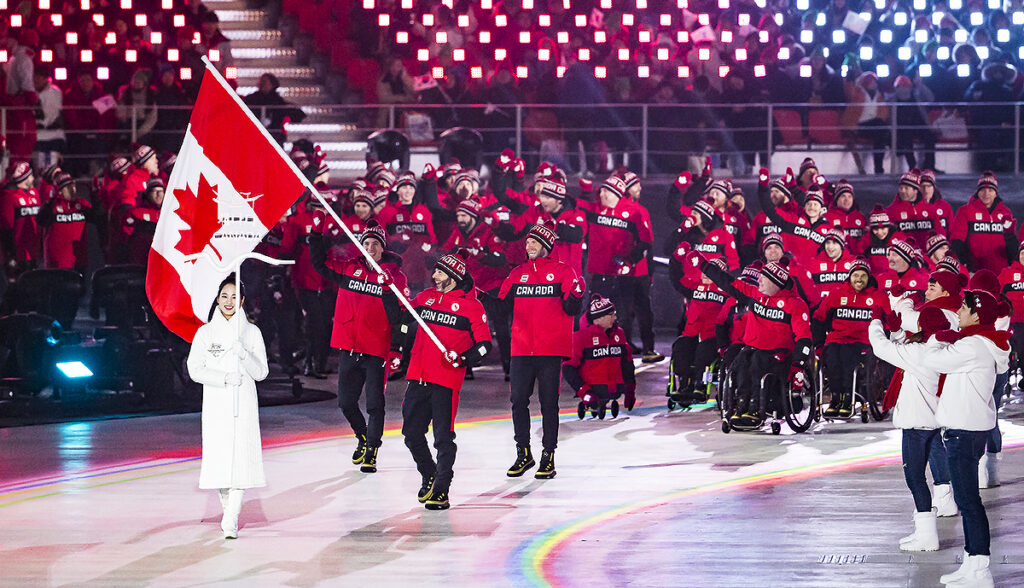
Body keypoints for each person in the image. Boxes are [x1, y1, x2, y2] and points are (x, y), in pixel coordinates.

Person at [882, 290, 1010, 587]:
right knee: (967, 500)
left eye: (964, 308)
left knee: (969, 501)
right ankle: (972, 562)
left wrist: (937, 339)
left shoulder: (974, 346)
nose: (959, 312)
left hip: (964, 433)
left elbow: (932, 360)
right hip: (966, 431)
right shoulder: (979, 343)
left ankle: (979, 569)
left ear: (976, 315)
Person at [309, 215, 408, 473]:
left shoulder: (395, 277)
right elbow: (319, 263)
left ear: (383, 248)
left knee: (375, 404)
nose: (371, 248)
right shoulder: (347, 269)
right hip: (350, 349)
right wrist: (316, 233)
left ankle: (372, 451)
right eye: (366, 243)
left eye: (376, 244)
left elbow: (401, 317)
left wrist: (396, 349)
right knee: (345, 403)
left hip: (377, 352)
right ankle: (362, 436)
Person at [394, 251, 492, 510]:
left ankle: (441, 489)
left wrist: (463, 358)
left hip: (445, 382)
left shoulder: (472, 307)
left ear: (453, 277)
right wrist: (388, 289)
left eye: (439, 272)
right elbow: (402, 316)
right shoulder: (425, 298)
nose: (434, 276)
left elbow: (484, 346)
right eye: (435, 271)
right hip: (417, 377)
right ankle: (429, 473)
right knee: (411, 434)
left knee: (443, 438)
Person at [186, 275, 269, 539]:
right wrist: (222, 378)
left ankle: (231, 518)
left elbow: (262, 372)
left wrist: (244, 354)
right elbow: (194, 369)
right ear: (217, 298)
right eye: (224, 296)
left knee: (241, 460)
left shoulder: (252, 333)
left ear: (242, 301)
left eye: (234, 297)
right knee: (220, 462)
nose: (229, 301)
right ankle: (228, 511)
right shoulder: (205, 333)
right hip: (216, 403)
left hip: (243, 403)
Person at [499, 223, 585, 479]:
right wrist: (476, 295)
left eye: (534, 242)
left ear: (546, 245)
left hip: (550, 349)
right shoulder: (517, 274)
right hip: (521, 348)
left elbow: (572, 309)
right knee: (518, 401)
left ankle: (548, 455)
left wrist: (577, 295)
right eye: (527, 242)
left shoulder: (563, 271)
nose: (529, 246)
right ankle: (523, 453)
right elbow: (501, 307)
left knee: (549, 403)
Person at [868, 306, 951, 552]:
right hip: (934, 421)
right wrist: (896, 333)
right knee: (921, 476)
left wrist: (876, 322)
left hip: (916, 425)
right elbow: (904, 352)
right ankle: (924, 530)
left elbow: (881, 348)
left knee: (915, 478)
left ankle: (927, 536)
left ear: (923, 327)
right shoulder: (945, 350)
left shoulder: (919, 353)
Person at [814, 258, 891, 417]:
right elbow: (819, 319)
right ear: (849, 277)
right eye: (856, 275)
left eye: (863, 276)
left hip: (863, 342)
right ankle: (836, 398)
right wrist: (819, 344)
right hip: (836, 340)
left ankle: (849, 398)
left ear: (869, 278)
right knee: (831, 356)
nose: (859, 279)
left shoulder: (879, 297)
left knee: (847, 355)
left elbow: (888, 323)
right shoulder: (835, 294)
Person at [563, 294, 636, 419]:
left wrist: (630, 389)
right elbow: (568, 368)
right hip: (592, 389)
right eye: (611, 315)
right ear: (599, 318)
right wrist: (584, 391)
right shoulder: (580, 337)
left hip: (615, 389)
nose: (615, 318)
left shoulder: (619, 334)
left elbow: (627, 364)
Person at [951, 171, 1016, 274]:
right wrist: (964, 263)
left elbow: (1010, 242)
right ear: (977, 192)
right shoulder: (965, 211)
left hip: (1001, 273)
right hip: (974, 272)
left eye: (990, 190)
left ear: (996, 193)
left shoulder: (1006, 213)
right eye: (982, 190)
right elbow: (957, 241)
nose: (986, 194)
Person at [37, 172, 97, 271]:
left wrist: (94, 196)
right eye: (67, 187)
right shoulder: (53, 206)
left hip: (79, 260)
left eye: (73, 185)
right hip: (58, 263)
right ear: (60, 191)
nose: (73, 189)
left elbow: (97, 218)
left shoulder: (81, 204)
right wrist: (50, 201)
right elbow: (40, 220)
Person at [243, 73, 306, 144]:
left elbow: (297, 115)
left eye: (265, 82)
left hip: (274, 137)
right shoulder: (252, 99)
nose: (261, 84)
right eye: (261, 82)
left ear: (272, 85)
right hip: (254, 136)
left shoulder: (278, 101)